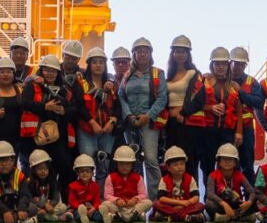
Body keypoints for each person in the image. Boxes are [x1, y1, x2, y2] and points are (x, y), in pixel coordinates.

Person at [186, 47, 244, 186]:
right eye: (217, 64)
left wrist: (239, 132)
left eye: (224, 64)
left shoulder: (233, 86)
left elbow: (238, 110)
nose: (220, 67)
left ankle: (227, 196)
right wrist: (210, 108)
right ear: (212, 65)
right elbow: (194, 104)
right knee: (207, 165)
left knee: (229, 164)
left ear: (228, 66)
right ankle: (209, 197)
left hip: (227, 132)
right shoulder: (204, 81)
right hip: (207, 131)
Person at [117, 37, 167, 192]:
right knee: (134, 161)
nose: (142, 54)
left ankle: (156, 200)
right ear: (134, 54)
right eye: (139, 51)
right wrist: (129, 115)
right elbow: (121, 96)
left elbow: (162, 97)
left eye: (145, 51)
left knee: (151, 160)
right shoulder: (127, 75)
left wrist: (148, 116)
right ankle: (137, 199)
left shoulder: (158, 73)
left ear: (150, 54)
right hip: (130, 123)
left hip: (149, 123)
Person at [20, 55, 78, 186]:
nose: (50, 74)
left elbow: (74, 109)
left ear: (58, 73)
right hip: (37, 137)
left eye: (53, 71)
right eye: (47, 70)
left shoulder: (64, 90)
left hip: (59, 137)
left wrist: (64, 111)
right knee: (38, 168)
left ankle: (60, 198)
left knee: (64, 167)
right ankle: (37, 199)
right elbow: (24, 103)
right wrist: (44, 107)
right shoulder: (32, 86)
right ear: (41, 70)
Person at [77, 47, 118, 182]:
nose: (98, 65)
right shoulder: (81, 82)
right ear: (89, 65)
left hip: (107, 130)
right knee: (87, 163)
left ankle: (101, 197)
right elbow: (79, 106)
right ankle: (88, 197)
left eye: (101, 62)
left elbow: (118, 107)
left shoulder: (112, 85)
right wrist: (92, 123)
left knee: (104, 164)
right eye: (95, 62)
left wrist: (111, 122)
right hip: (87, 130)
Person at [163, 36, 203, 174]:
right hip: (170, 123)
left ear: (188, 54)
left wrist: (183, 112)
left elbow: (199, 99)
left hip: (187, 123)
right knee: (171, 159)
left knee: (188, 160)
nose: (179, 55)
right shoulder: (168, 75)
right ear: (172, 54)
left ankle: (192, 193)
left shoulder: (193, 74)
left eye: (183, 52)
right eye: (177, 51)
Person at [229, 47, 265, 185]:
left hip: (246, 128)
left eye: (240, 64)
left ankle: (250, 197)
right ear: (229, 62)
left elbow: (258, 102)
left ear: (245, 65)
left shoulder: (251, 82)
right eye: (234, 63)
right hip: (227, 127)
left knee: (247, 163)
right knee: (228, 162)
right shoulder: (222, 80)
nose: (236, 67)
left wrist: (241, 92)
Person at [204, 143, 257, 223]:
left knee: (256, 202)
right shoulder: (212, 176)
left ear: (235, 162)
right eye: (224, 159)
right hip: (221, 205)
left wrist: (249, 202)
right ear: (218, 161)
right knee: (209, 204)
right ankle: (240, 217)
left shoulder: (239, 175)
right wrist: (224, 204)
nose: (227, 162)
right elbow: (210, 194)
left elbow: (252, 192)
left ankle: (226, 217)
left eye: (230, 159)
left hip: (236, 205)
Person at [98, 145, 151, 223]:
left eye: (127, 164)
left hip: (133, 206)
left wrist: (135, 199)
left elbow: (143, 194)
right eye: (121, 164)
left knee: (148, 202)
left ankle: (117, 217)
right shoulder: (110, 177)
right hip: (119, 207)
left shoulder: (138, 177)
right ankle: (135, 216)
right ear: (116, 164)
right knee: (104, 203)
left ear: (132, 165)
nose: (124, 167)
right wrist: (117, 200)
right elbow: (107, 195)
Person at [152, 147, 204, 223]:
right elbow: (161, 198)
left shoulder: (190, 178)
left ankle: (168, 217)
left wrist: (187, 203)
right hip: (171, 206)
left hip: (185, 206)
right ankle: (185, 217)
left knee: (200, 206)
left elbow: (196, 197)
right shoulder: (164, 179)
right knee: (156, 204)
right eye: (175, 165)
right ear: (168, 168)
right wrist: (180, 203)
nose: (180, 167)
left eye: (182, 164)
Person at [0, 57, 23, 156]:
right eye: (2, 72)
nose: (5, 75)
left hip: (16, 137)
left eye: (9, 72)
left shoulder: (21, 90)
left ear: (13, 74)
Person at [23, 149, 66, 222]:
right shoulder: (29, 181)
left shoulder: (52, 179)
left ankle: (45, 216)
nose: (43, 171)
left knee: (63, 207)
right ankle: (54, 217)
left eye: (45, 168)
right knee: (30, 208)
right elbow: (28, 198)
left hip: (48, 207)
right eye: (39, 169)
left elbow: (56, 197)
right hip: (36, 206)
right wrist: (40, 208)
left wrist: (50, 206)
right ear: (33, 169)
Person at [65, 153, 103, 223]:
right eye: (82, 171)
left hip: (91, 209)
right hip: (78, 209)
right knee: (76, 215)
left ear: (92, 172)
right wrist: (80, 208)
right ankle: (82, 218)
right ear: (77, 173)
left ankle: (106, 218)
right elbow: (72, 201)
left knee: (97, 214)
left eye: (88, 171)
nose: (85, 173)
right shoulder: (73, 186)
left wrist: (94, 208)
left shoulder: (95, 186)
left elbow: (97, 201)